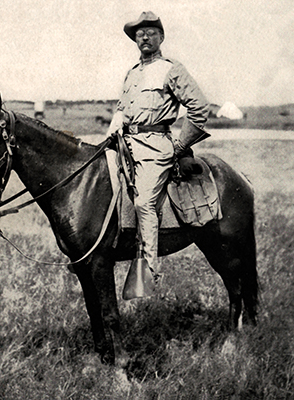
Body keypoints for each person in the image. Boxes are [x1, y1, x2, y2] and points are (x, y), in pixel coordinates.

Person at [107, 11, 209, 282]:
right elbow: (122, 108)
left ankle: (147, 271)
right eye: (140, 34)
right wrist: (111, 133)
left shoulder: (171, 69)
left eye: (151, 33)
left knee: (144, 202)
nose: (145, 37)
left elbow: (199, 107)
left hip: (155, 148)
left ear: (161, 37)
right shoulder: (132, 73)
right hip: (125, 144)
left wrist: (180, 146)